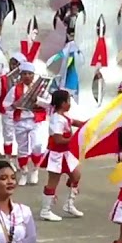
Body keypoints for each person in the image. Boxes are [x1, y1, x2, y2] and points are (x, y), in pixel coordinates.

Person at [3, 62, 51, 187]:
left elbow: (49, 103)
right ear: (21, 75)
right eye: (24, 74)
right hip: (21, 120)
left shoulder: (40, 89)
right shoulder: (15, 89)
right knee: (22, 148)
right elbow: (6, 104)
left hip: (36, 120)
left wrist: (38, 101)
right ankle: (24, 171)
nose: (27, 76)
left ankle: (35, 169)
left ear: (33, 75)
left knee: (37, 146)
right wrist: (14, 105)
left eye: (29, 74)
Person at [41, 89, 83, 222]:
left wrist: (91, 123)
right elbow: (58, 140)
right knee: (53, 182)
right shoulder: (57, 120)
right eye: (68, 101)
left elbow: (76, 122)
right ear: (63, 103)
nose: (70, 104)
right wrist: (75, 139)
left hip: (65, 153)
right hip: (56, 154)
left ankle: (69, 204)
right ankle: (45, 210)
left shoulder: (63, 116)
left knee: (76, 175)